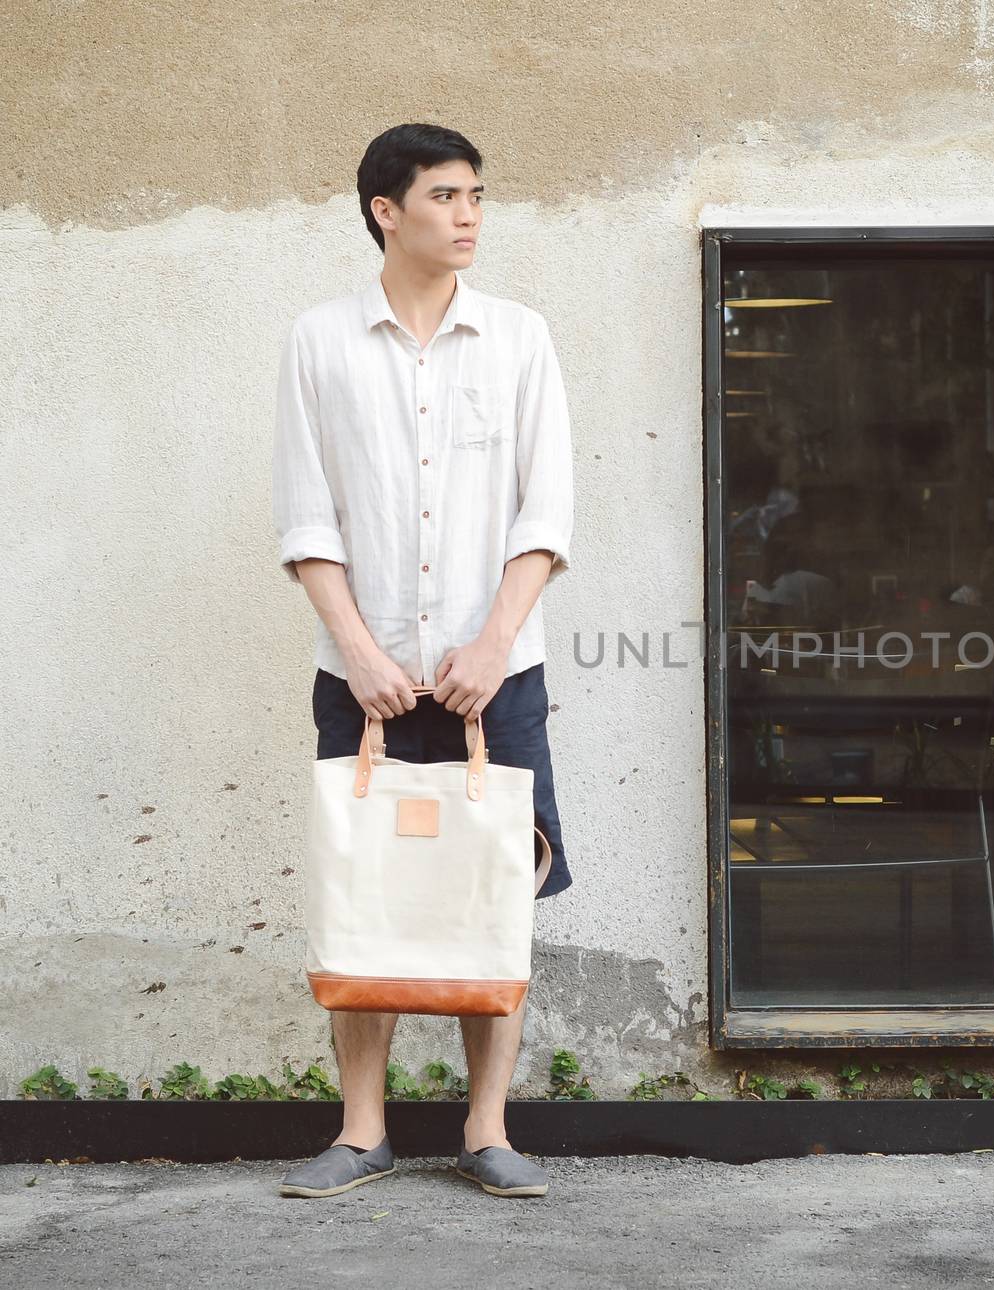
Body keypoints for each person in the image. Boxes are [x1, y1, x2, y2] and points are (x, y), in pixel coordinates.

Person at [271, 123, 575, 1200]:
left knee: (495, 890)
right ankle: (362, 1131)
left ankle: (486, 1129)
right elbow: (307, 517)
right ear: (383, 210)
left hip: (501, 672)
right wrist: (358, 651)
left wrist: (495, 642)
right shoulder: (318, 340)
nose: (469, 215)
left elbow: (547, 511)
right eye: (445, 195)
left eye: (478, 196)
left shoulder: (521, 337)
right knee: (369, 888)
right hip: (362, 677)